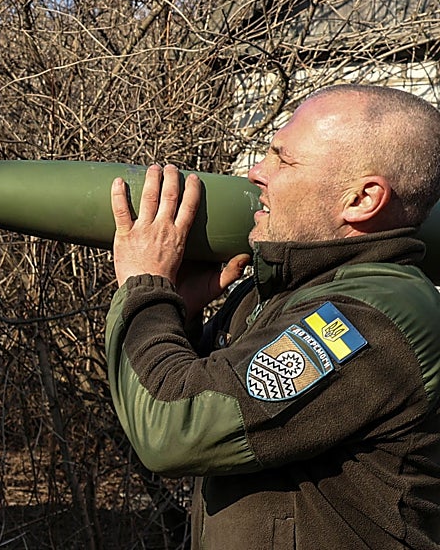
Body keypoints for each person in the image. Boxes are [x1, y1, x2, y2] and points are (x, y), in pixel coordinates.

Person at [106, 83, 440, 549]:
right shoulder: (288, 291)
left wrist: (144, 287)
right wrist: (175, 311)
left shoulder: (370, 318)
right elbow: (199, 391)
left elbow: (173, 428)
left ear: (362, 200)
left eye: (283, 160)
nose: (255, 172)